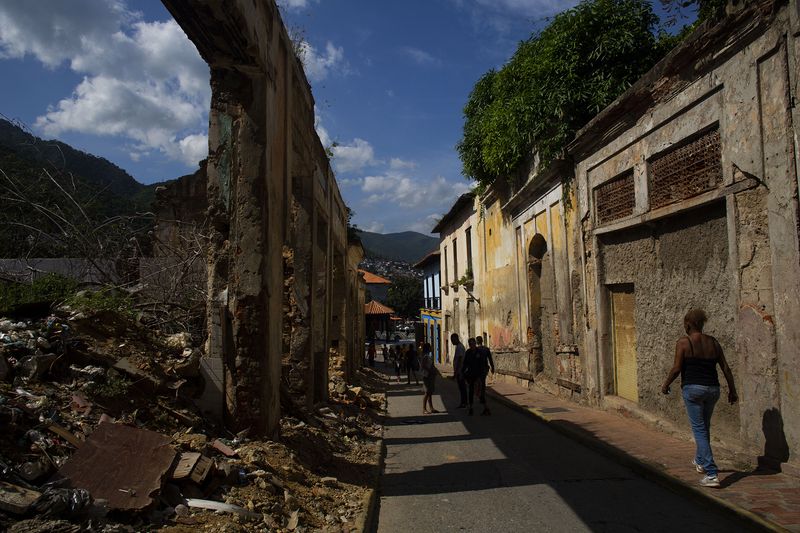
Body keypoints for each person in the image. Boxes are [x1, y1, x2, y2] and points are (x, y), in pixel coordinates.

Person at [661, 309, 738, 488]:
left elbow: (676, 368)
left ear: (688, 324)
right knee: (704, 427)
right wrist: (732, 390)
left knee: (699, 429)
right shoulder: (713, 342)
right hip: (713, 390)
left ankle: (711, 473)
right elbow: (726, 368)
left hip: (693, 390)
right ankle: (700, 461)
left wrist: (666, 384)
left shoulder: (683, 342)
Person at [475, 336, 495, 415]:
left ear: (476, 342)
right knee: (482, 383)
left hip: (478, 370)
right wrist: (493, 368)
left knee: (478, 385)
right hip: (485, 369)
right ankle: (482, 397)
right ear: (482, 341)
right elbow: (490, 359)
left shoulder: (476, 350)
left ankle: (482, 399)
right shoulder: (486, 349)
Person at [420, 342, 439, 414]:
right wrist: (431, 371)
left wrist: (435, 370)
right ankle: (424, 409)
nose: (431, 348)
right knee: (427, 392)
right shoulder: (425, 356)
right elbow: (424, 366)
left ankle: (431, 408)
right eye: (430, 347)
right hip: (427, 376)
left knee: (430, 392)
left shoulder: (428, 355)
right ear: (428, 348)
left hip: (430, 375)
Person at [462, 338, 479, 415]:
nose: (472, 345)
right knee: (471, 390)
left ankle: (485, 406)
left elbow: (482, 363)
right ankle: (471, 406)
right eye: (470, 344)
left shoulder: (479, 352)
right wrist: (463, 372)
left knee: (480, 390)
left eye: (473, 344)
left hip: (479, 374)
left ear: (475, 343)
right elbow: (465, 363)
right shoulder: (468, 352)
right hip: (471, 374)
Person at [451, 333, 468, 408]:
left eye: (452, 340)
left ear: (456, 339)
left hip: (460, 371)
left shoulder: (460, 347)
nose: (452, 342)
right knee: (461, 387)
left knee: (462, 387)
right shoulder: (458, 347)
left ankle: (464, 402)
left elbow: (460, 359)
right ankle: (463, 402)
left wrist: (457, 371)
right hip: (459, 370)